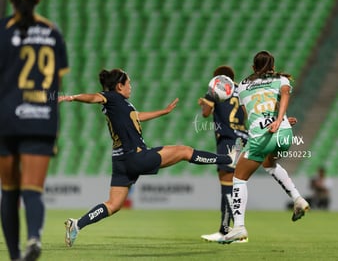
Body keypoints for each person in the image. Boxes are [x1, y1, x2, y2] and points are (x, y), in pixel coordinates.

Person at [58, 68, 240, 247]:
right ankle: (228, 159)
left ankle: (77, 224)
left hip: (120, 160)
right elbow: (93, 97)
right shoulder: (112, 97)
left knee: (113, 205)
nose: (131, 86)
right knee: (184, 151)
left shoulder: (120, 104)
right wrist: (71, 97)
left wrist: (163, 111)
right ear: (119, 86)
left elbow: (136, 117)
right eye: (128, 83)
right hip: (136, 157)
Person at [0, 0, 69, 260]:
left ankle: (15, 255)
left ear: (10, 0)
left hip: (6, 119)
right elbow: (58, 83)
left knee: (9, 188)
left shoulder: (2, 30)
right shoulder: (52, 32)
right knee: (32, 188)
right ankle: (34, 239)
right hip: (42, 119)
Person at [219, 51, 310, 244]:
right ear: (273, 66)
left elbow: (247, 115)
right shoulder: (281, 79)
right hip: (284, 135)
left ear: (253, 67)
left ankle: (239, 227)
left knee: (238, 177)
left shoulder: (243, 85)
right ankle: (298, 199)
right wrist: (281, 120)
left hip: (263, 134)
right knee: (269, 163)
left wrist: (274, 121)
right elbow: (283, 97)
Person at [198, 66, 248, 242]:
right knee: (234, 184)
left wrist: (205, 103)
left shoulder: (218, 87)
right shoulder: (240, 89)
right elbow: (245, 114)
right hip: (242, 137)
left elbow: (205, 114)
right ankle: (231, 230)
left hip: (227, 140)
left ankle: (228, 231)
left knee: (227, 184)